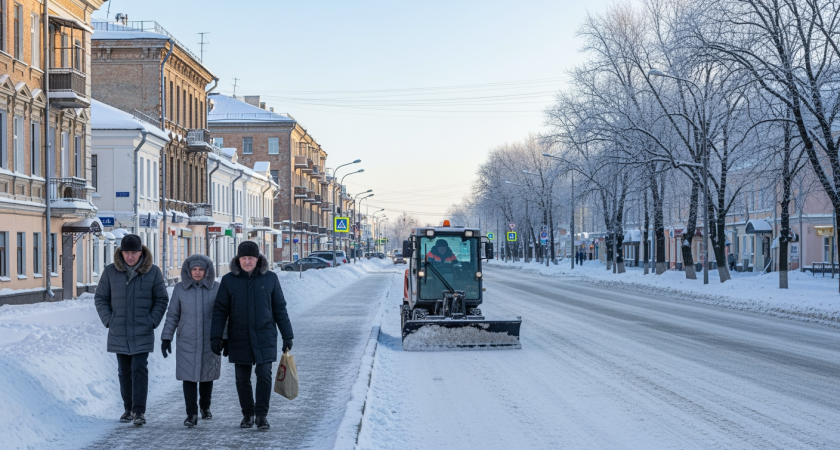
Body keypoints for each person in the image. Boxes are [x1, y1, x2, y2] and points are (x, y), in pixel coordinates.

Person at [211, 241, 293, 431]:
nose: (247, 262)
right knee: (242, 379)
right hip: (239, 336)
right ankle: (248, 414)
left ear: (258, 259)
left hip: (265, 336)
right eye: (244, 258)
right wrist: (216, 336)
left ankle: (262, 416)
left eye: (251, 258)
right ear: (238, 259)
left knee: (264, 376)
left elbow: (280, 308)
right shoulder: (229, 280)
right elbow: (220, 310)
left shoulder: (270, 278)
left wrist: (287, 335)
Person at [94, 234, 169, 426]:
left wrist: (152, 321)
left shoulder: (153, 272)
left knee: (139, 369)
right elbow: (100, 297)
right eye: (126, 252)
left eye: (133, 253)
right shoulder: (110, 271)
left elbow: (161, 299)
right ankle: (128, 409)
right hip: (119, 330)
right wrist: (109, 320)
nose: (130, 256)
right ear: (121, 253)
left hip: (142, 330)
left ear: (140, 252)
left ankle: (139, 411)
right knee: (124, 371)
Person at [161, 254, 222, 428]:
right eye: (194, 269)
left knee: (206, 376)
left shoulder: (216, 288)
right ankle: (191, 414)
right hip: (187, 341)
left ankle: (205, 406)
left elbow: (222, 316)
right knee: (188, 378)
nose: (197, 273)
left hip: (209, 340)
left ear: (207, 271)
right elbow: (173, 315)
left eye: (201, 269)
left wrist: (222, 338)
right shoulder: (180, 289)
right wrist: (166, 337)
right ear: (188, 271)